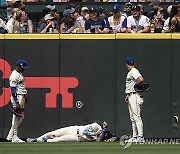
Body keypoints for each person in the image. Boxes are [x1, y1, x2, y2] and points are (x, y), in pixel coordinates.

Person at [26, 121, 115, 142]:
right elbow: (85, 132)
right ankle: (36, 139)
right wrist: (99, 132)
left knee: (60, 139)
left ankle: (44, 141)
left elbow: (99, 140)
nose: (101, 136)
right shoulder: (96, 126)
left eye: (103, 135)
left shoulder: (99, 138)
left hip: (76, 138)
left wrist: (104, 131)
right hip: (73, 129)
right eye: (103, 134)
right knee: (53, 133)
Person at [6, 59, 29, 143]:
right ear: (19, 66)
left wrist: (24, 96)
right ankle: (14, 137)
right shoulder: (14, 76)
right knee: (16, 117)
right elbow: (13, 90)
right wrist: (17, 101)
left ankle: (10, 136)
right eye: (23, 67)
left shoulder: (19, 74)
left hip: (21, 96)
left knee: (20, 117)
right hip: (17, 97)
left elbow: (21, 87)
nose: (24, 69)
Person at [124, 57, 145, 143]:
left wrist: (136, 86)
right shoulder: (131, 72)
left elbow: (140, 79)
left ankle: (140, 136)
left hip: (135, 96)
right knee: (132, 118)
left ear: (126, 64)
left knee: (136, 117)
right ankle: (135, 136)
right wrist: (128, 94)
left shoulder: (133, 71)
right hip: (131, 95)